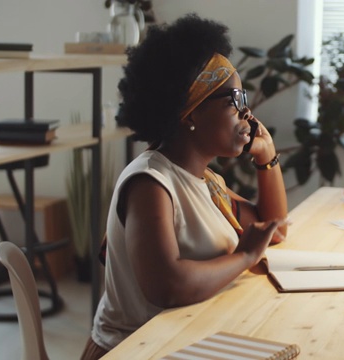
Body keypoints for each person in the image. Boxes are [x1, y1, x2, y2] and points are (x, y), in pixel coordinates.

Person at [80, 13, 288, 359]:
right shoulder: (150, 183)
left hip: (180, 342)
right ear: (190, 113)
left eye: (245, 99)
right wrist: (245, 256)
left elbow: (273, 229)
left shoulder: (203, 179)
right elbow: (168, 286)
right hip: (135, 351)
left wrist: (266, 157)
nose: (247, 114)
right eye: (234, 101)